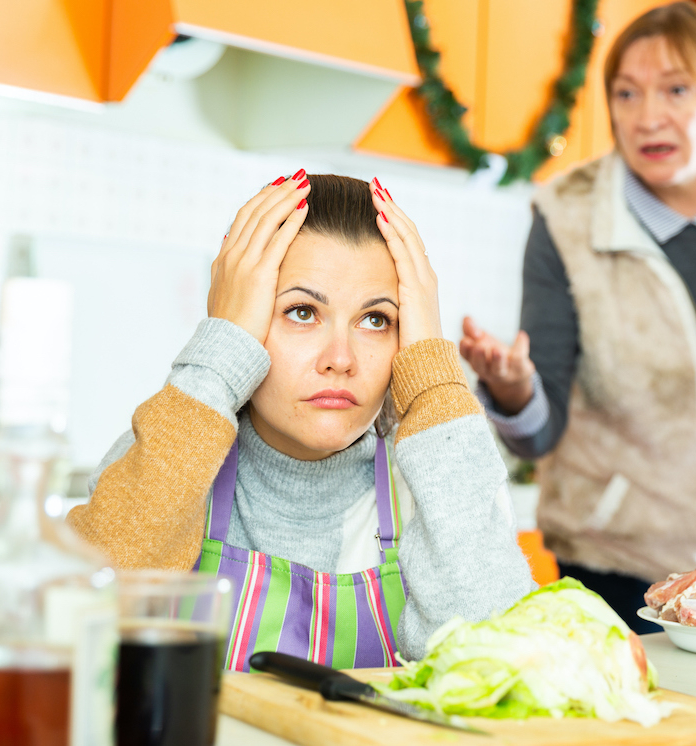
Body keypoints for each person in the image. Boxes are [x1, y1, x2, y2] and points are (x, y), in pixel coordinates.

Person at [459, 1, 696, 632]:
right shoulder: (566, 217)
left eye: (675, 89)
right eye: (626, 93)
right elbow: (540, 432)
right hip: (618, 570)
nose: (647, 117)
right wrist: (512, 390)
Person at [68, 172, 535, 668]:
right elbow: (78, 635)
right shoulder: (167, 455)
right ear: (242, 321)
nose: (341, 358)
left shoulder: (433, 483)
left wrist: (433, 380)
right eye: (302, 312)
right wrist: (219, 351)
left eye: (376, 320)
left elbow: (499, 671)